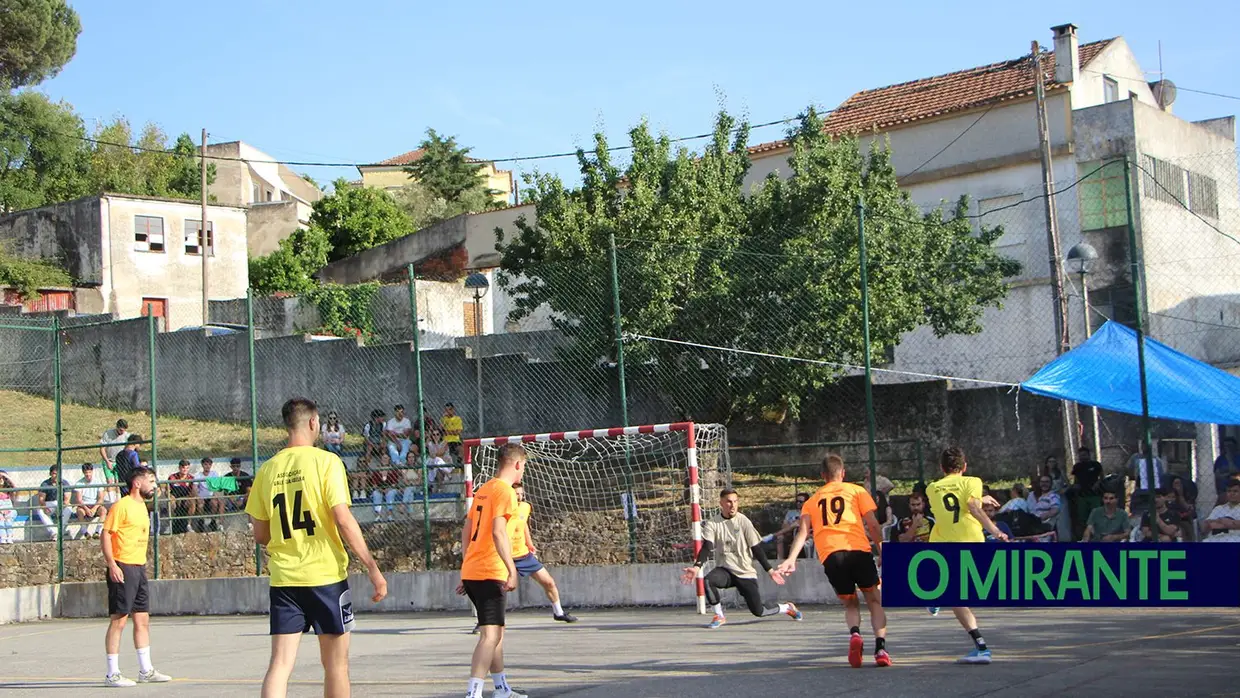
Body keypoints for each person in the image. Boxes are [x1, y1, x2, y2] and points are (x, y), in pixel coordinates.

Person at [246, 397, 388, 698]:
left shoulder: (267, 469)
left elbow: (260, 533)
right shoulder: (327, 462)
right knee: (336, 665)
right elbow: (343, 518)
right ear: (313, 423)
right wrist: (373, 568)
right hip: (325, 578)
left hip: (284, 579)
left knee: (280, 664)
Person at [777, 454, 888, 668]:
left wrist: (791, 558)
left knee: (850, 603)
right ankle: (880, 648)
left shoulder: (812, 500)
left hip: (831, 555)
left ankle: (855, 634)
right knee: (874, 600)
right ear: (843, 473)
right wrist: (882, 549)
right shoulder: (856, 491)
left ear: (822, 475)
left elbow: (802, 533)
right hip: (858, 549)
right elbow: (873, 524)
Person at [924, 446, 1009, 664]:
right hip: (971, 541)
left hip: (945, 543)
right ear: (964, 466)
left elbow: (955, 505)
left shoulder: (932, 488)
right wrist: (995, 530)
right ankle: (981, 647)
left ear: (941, 468)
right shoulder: (973, 482)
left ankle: (935, 594)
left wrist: (980, 500)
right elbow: (971, 505)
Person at [458, 444, 529, 698]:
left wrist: (466, 566)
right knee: (489, 636)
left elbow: (467, 531)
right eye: (524, 467)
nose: (522, 473)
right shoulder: (505, 492)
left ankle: (501, 689)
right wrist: (512, 569)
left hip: (474, 570)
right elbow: (498, 533)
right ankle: (473, 692)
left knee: (497, 631)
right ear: (517, 464)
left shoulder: (483, 490)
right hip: (490, 570)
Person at [682, 488, 802, 630]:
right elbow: (707, 547)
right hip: (726, 571)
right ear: (721, 503)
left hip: (745, 572)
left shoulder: (743, 521)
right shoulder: (712, 523)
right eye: (728, 502)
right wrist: (696, 567)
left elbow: (756, 548)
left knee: (759, 611)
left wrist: (770, 570)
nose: (732, 505)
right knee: (708, 580)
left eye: (735, 501)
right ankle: (719, 615)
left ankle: (786, 607)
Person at [101, 466, 171, 687]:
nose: (154, 484)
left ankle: (146, 670)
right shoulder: (122, 506)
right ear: (137, 483)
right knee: (119, 621)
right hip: (123, 566)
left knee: (142, 620)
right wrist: (112, 564)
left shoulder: (143, 508)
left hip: (138, 568)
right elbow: (106, 534)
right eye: (150, 480)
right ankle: (112, 674)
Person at [508, 482, 577, 623]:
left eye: (522, 494)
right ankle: (483, 622)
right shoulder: (503, 510)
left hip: (523, 555)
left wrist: (530, 544)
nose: (520, 497)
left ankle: (558, 612)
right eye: (516, 495)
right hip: (505, 557)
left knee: (549, 582)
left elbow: (524, 525)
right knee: (494, 592)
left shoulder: (525, 507)